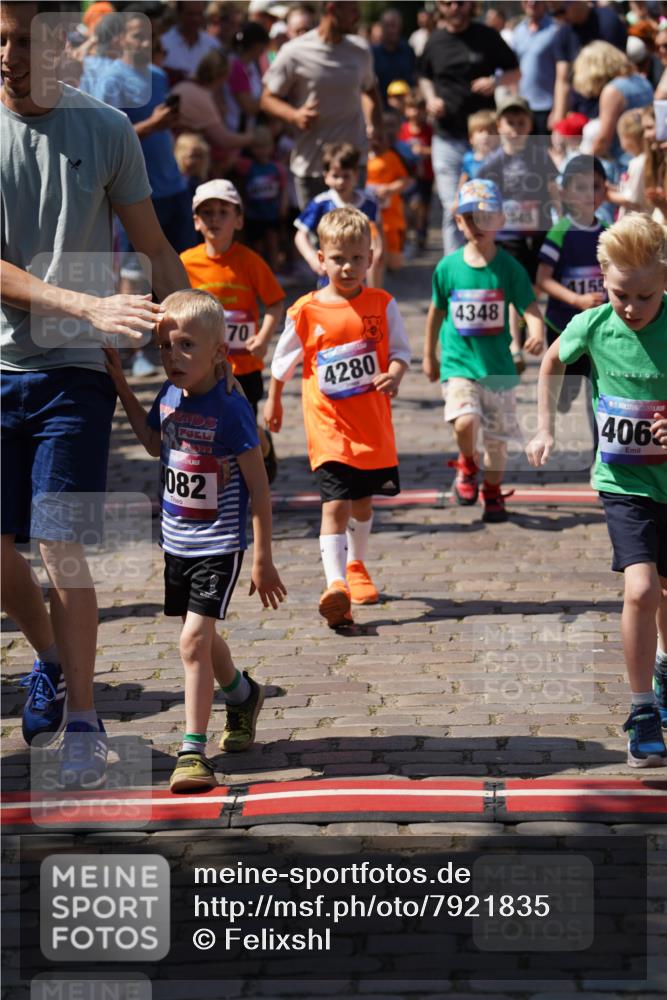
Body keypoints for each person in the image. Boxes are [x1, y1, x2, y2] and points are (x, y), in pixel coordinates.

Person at [1, 0, 189, 788]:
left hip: (74, 373)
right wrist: (87, 304)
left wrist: (203, 355)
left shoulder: (107, 128)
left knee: (61, 545)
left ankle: (83, 719)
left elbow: (153, 247)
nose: (8, 55)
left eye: (21, 41)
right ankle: (49, 654)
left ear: (60, 43)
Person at [104, 289, 286, 792]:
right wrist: (121, 381)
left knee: (191, 642)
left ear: (218, 354)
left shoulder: (230, 409)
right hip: (176, 541)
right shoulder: (167, 396)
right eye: (165, 346)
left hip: (219, 544)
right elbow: (150, 442)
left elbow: (259, 487)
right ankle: (242, 692)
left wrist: (263, 559)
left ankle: (192, 752)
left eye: (185, 345)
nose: (172, 357)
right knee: (201, 639)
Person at [527, 213, 667, 767]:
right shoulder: (596, 324)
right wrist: (545, 427)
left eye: (646, 296)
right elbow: (550, 361)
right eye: (619, 294)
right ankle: (640, 710)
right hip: (623, 481)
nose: (631, 308)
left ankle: (663, 669)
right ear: (601, 280)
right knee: (641, 589)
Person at [264, 208, 411, 627]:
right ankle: (335, 587)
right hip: (328, 427)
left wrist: (394, 374)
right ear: (321, 259)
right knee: (335, 505)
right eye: (337, 258)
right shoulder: (307, 310)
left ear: (371, 257)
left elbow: (401, 351)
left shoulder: (382, 304)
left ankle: (356, 566)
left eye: (356, 258)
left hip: (372, 425)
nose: (347, 267)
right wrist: (273, 402)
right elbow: (281, 362)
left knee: (362, 504)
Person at [422, 180, 545, 523]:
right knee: (465, 421)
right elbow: (436, 313)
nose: (479, 225)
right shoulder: (447, 268)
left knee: (497, 445)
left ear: (500, 220)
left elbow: (530, 309)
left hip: (498, 369)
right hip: (459, 363)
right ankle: (466, 463)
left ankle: (491, 490)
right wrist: (429, 355)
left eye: (486, 216)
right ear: (458, 222)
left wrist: (535, 333)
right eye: (470, 218)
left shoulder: (509, 268)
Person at [180, 180, 286, 484]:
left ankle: (262, 445)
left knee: (246, 428)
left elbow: (276, 303)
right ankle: (224, 481)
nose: (215, 219)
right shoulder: (185, 262)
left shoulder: (249, 261)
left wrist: (263, 337)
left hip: (244, 366)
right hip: (203, 368)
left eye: (223, 212)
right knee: (209, 426)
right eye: (207, 212)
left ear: (238, 220)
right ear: (196, 222)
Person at [260, 0, 384, 210]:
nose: (357, 17)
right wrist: (295, 115)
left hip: (352, 163)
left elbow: (371, 89)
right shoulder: (294, 51)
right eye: (352, 10)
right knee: (316, 240)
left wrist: (375, 126)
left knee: (353, 238)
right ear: (332, 9)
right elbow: (266, 99)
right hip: (312, 165)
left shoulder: (360, 50)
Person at [419, 0, 519, 255]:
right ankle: (456, 268)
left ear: (471, 5)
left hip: (484, 139)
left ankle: (489, 262)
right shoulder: (435, 41)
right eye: (448, 3)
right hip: (447, 137)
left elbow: (515, 71)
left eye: (460, 2)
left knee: (489, 203)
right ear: (440, 7)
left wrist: (494, 81)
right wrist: (430, 99)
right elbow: (423, 76)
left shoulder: (487, 36)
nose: (455, 8)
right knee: (453, 207)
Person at [536, 155, 607, 422]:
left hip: (597, 331)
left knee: (597, 391)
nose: (589, 194)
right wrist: (576, 300)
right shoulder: (560, 232)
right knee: (566, 393)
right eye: (580, 187)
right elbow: (543, 280)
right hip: (561, 327)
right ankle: (563, 397)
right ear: (564, 192)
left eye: (596, 186)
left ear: (605, 190)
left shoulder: (610, 234)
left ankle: (597, 452)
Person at [294, 142, 383, 287]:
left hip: (361, 277)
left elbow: (376, 229)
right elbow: (300, 235)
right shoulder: (321, 203)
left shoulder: (368, 203)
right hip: (330, 279)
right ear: (326, 176)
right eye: (335, 176)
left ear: (356, 175)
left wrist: (380, 250)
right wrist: (312, 258)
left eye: (346, 176)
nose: (340, 181)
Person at [572, 41, 654, 161]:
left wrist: (582, 164)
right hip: (646, 156)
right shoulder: (641, 80)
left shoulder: (613, 91)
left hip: (622, 161)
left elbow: (604, 140)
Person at [550, 0, 627, 128]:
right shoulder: (563, 32)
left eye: (561, 11)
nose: (559, 17)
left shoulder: (608, 21)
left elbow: (620, 69)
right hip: (580, 113)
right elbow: (562, 80)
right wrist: (559, 124)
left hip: (611, 110)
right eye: (553, 13)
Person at [241, 125, 288, 274]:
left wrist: (283, 206)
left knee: (273, 242)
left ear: (272, 147)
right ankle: (260, 272)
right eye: (257, 147)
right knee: (258, 245)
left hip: (272, 212)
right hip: (255, 213)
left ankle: (275, 271)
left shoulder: (276, 168)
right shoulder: (248, 167)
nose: (261, 151)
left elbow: (284, 188)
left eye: (265, 147)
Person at [366, 123, 411, 272]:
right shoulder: (361, 159)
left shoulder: (391, 157)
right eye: (370, 139)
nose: (374, 142)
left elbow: (405, 180)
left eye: (378, 138)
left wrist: (389, 189)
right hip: (370, 214)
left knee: (394, 261)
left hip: (390, 213)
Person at [511, 0, 560, 136]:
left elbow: (563, 74)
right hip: (523, 108)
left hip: (548, 108)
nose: (532, 3)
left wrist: (558, 109)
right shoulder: (518, 31)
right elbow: (514, 69)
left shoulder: (555, 30)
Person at [398, 90, 434, 250]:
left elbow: (437, 150)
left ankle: (421, 233)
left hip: (425, 175)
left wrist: (424, 151)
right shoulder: (403, 130)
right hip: (407, 177)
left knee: (423, 207)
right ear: (406, 110)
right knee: (411, 205)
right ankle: (411, 232)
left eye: (419, 108)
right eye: (411, 108)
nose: (415, 113)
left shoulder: (429, 130)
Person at [161, 0, 221, 84]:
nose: (195, 18)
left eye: (199, 14)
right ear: (179, 14)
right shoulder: (163, 43)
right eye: (190, 14)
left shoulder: (212, 45)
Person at [372, 8, 416, 106]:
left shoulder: (408, 50)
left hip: (407, 111)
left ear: (400, 27)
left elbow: (416, 79)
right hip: (381, 111)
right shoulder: (372, 53)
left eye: (394, 25)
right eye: (387, 26)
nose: (391, 30)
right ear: (382, 27)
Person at [459, 109, 498, 184]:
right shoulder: (468, 158)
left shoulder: (499, 158)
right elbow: (464, 178)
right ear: (471, 138)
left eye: (490, 132)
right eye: (480, 131)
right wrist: (458, 194)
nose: (486, 135)